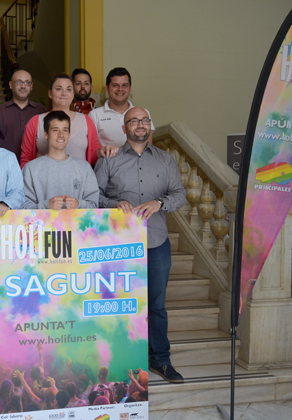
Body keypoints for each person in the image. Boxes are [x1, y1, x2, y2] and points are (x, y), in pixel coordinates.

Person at [94, 106, 186, 383]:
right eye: (134, 121)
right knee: (118, 305)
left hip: (156, 242)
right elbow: (93, 196)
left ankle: (160, 360)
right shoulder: (109, 160)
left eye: (145, 120)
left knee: (156, 305)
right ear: (124, 129)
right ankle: (119, 362)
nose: (140, 125)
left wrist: (159, 203)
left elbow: (179, 194)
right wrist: (114, 204)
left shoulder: (165, 160)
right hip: (118, 244)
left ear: (150, 126)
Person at [20, 74, 116, 169]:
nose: (64, 93)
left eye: (69, 89)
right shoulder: (35, 122)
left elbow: (94, 152)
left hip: (79, 177)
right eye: (59, 89)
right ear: (50, 93)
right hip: (44, 177)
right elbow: (26, 159)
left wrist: (101, 151)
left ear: (73, 94)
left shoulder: (86, 121)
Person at [22, 111, 99, 210]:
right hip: (44, 221)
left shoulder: (84, 168)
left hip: (77, 221)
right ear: (46, 134)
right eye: (55, 130)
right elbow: (23, 207)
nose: (61, 135)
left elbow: (95, 206)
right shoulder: (30, 169)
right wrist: (46, 205)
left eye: (65, 130)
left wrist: (78, 204)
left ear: (69, 134)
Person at [89, 67, 155, 147]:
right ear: (107, 88)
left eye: (124, 85)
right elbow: (91, 148)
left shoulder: (143, 113)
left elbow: (148, 148)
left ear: (130, 88)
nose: (120, 89)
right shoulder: (95, 115)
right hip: (106, 156)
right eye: (115, 85)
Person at [0, 69, 47, 162]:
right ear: (10, 85)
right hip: (6, 164)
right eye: (19, 82)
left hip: (34, 165)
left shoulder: (41, 111)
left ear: (31, 86)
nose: (23, 86)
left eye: (27, 82)